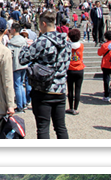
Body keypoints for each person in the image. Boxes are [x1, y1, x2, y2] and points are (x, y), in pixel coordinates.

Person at [18, 10, 72, 139]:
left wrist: (26, 45)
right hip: (60, 88)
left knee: (43, 127)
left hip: (43, 89)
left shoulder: (42, 41)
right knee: (60, 127)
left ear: (43, 24)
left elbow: (23, 59)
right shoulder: (66, 42)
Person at [7, 23, 29, 113]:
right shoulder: (24, 40)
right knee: (20, 84)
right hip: (24, 64)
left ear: (14, 30)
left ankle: (20, 106)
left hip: (16, 64)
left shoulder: (11, 42)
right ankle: (23, 103)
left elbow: (9, 54)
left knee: (17, 85)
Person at [65, 28, 85, 115]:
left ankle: (70, 107)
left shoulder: (68, 45)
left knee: (70, 89)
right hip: (79, 68)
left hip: (70, 68)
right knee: (78, 89)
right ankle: (76, 108)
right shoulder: (81, 45)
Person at [98, 31, 111, 101]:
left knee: (106, 80)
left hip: (106, 64)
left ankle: (106, 95)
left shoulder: (104, 45)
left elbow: (99, 53)